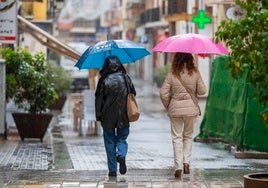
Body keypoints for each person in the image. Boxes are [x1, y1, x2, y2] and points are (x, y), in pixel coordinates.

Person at [159, 52, 207, 179]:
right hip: (191, 109)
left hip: (175, 110)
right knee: (188, 136)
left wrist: (169, 105)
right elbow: (203, 91)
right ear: (191, 59)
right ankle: (186, 162)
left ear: (176, 60)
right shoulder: (195, 72)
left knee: (177, 137)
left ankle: (178, 166)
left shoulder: (172, 73)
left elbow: (163, 93)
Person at [95, 55, 136, 177]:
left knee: (109, 141)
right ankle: (121, 155)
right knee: (122, 138)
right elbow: (133, 93)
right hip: (124, 114)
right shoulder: (125, 78)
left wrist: (98, 116)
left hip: (107, 116)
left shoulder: (103, 80)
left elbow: (98, 99)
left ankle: (112, 170)